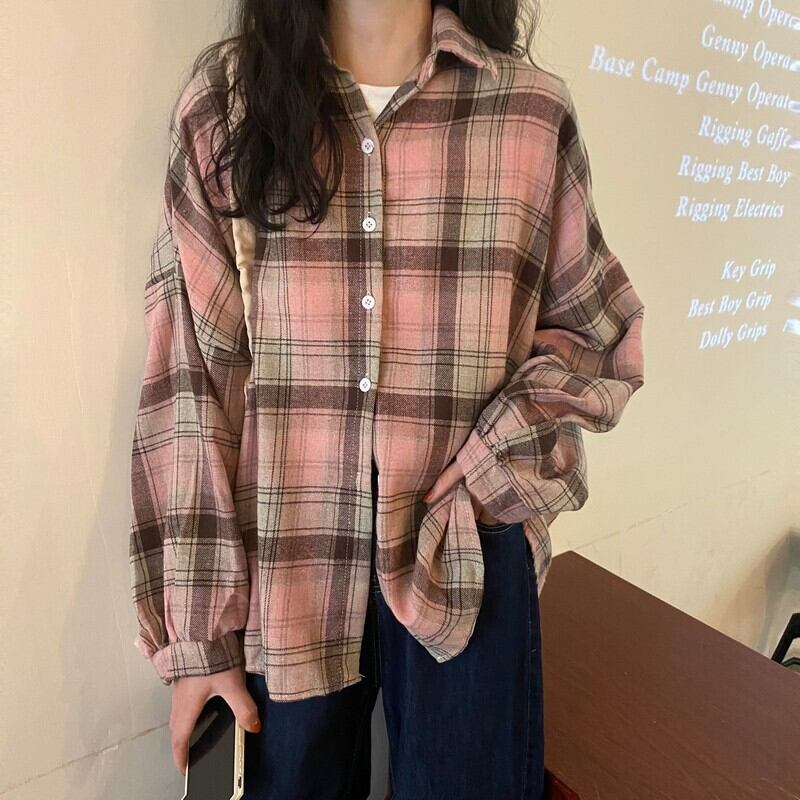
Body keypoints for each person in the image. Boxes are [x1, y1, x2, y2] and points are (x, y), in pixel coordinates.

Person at [128, 1, 646, 798]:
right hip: (282, 579)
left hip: (463, 551)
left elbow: (596, 335)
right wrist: (198, 635)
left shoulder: (529, 112)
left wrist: (492, 460)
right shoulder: (226, 108)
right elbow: (188, 379)